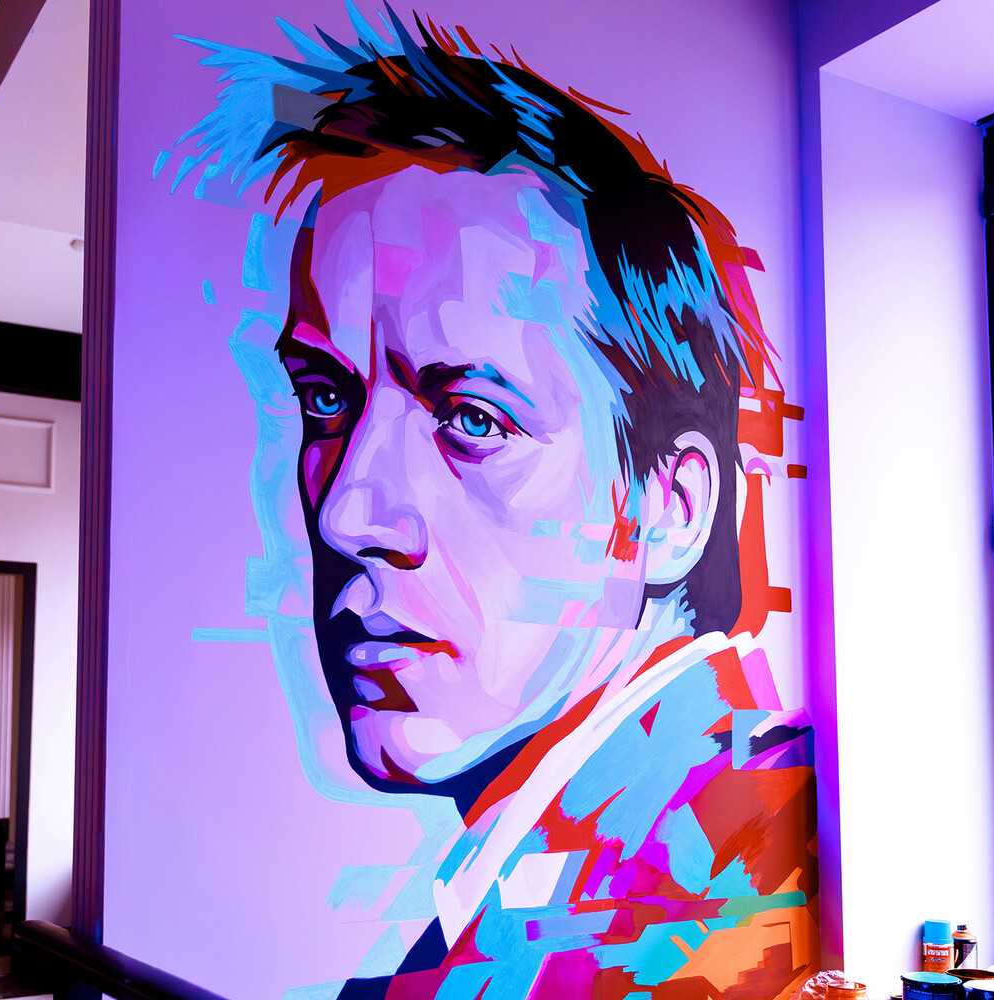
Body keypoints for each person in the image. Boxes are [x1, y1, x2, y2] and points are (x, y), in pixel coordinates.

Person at [175, 10, 816, 998]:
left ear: (669, 506)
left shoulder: (702, 910)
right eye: (327, 400)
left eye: (472, 419)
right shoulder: (579, 878)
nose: (347, 514)